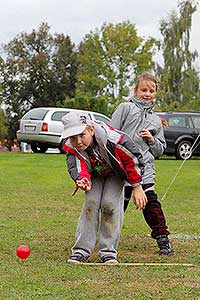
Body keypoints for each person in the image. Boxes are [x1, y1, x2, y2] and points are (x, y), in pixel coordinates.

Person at [62, 110, 147, 264]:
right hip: (95, 175)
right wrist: (82, 179)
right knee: (91, 203)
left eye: (82, 135)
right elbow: (77, 166)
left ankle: (108, 252)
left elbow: (132, 160)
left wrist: (137, 187)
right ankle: (81, 251)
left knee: (109, 204)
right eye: (73, 138)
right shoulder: (72, 147)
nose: (79, 141)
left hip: (116, 174)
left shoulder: (114, 140)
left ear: (91, 130)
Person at [111, 71, 174, 256]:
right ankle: (109, 240)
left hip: (145, 168)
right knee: (116, 205)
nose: (147, 94)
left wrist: (151, 141)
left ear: (156, 93)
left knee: (151, 203)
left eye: (151, 91)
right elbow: (111, 133)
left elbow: (160, 150)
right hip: (122, 167)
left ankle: (163, 239)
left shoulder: (156, 120)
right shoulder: (124, 108)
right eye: (143, 90)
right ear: (136, 90)